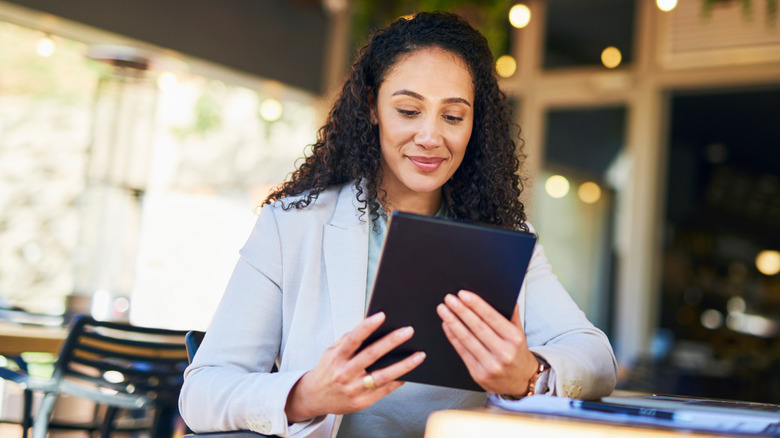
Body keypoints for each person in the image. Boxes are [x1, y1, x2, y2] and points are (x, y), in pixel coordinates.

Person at [179, 11, 617, 438]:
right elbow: (201, 393)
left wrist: (528, 373)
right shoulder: (292, 227)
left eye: (452, 116)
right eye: (408, 110)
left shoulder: (504, 233)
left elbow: (596, 359)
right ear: (372, 107)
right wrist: (307, 394)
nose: (430, 136)